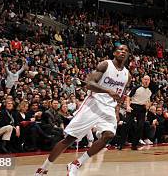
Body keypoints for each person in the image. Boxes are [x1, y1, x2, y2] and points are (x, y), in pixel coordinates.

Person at [34, 45, 130, 176]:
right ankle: (43, 169)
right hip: (93, 104)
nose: (123, 52)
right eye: (120, 49)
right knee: (70, 139)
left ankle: (76, 164)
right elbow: (89, 84)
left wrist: (117, 111)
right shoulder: (105, 65)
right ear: (114, 53)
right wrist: (107, 90)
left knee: (108, 136)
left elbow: (120, 95)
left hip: (109, 108)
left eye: (126, 51)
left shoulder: (127, 75)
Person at [125, 75, 152, 149]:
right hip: (133, 106)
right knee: (127, 125)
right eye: (145, 79)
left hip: (142, 108)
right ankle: (121, 143)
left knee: (140, 126)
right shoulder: (136, 88)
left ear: (149, 81)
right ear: (142, 80)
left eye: (148, 79)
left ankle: (134, 144)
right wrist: (128, 106)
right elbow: (128, 97)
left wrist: (148, 106)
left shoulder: (150, 90)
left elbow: (150, 100)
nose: (146, 81)